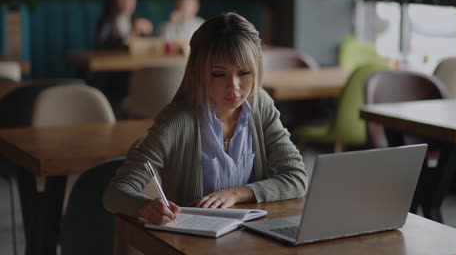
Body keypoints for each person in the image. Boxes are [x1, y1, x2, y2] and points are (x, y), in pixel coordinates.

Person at [103, 12, 308, 225]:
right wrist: (145, 206)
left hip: (255, 236)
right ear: (198, 72)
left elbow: (296, 178)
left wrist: (237, 194)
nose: (234, 87)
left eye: (244, 73)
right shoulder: (176, 121)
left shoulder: (260, 104)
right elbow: (115, 193)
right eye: (219, 74)